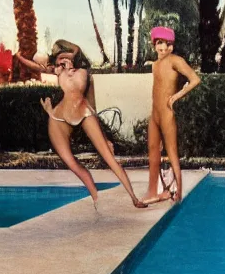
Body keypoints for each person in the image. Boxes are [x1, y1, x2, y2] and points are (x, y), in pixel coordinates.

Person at [16, 40, 147, 209]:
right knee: (71, 163)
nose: (62, 61)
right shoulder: (58, 70)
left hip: (83, 112)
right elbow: (35, 66)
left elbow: (93, 106)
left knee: (109, 158)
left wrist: (105, 137)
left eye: (64, 56)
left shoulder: (84, 72)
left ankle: (135, 199)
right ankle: (96, 200)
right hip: (59, 117)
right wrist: (19, 57)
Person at [142, 27, 201, 204]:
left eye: (167, 44)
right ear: (154, 45)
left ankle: (179, 194)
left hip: (167, 113)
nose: (163, 48)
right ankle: (153, 192)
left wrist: (176, 96)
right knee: (153, 151)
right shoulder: (155, 65)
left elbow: (195, 79)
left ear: (172, 47)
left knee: (172, 152)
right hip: (155, 114)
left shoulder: (175, 60)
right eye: (160, 43)